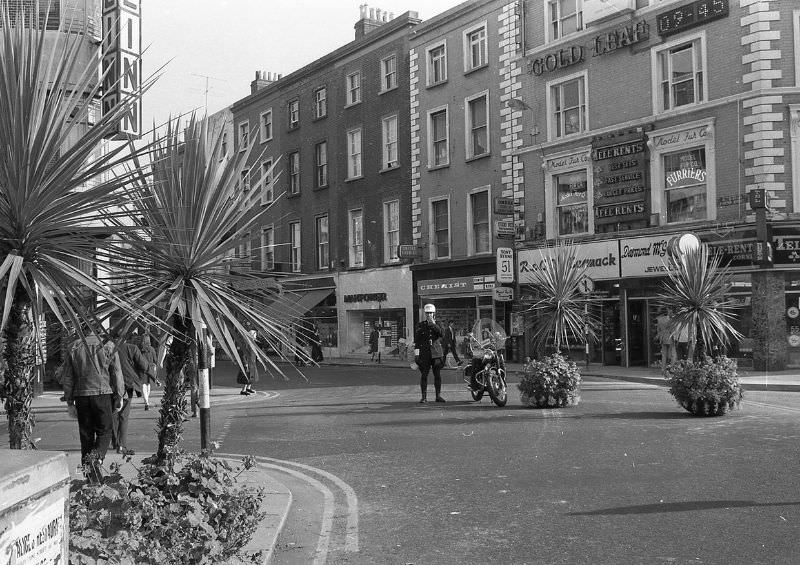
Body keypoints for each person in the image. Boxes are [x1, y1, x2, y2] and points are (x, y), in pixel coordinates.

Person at [61, 330, 124, 481]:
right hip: (102, 392)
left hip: (81, 394)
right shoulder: (108, 345)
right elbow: (116, 373)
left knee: (86, 435)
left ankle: (90, 475)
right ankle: (96, 459)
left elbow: (68, 377)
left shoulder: (73, 347)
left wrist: (69, 401)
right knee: (105, 430)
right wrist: (119, 395)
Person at [112, 331, 156, 453]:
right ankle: (122, 445)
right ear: (125, 338)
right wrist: (154, 377)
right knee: (124, 415)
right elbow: (144, 365)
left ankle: (115, 442)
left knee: (114, 413)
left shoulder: (108, 348)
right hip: (127, 384)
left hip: (112, 385)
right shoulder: (132, 348)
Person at [414, 303, 445, 403]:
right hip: (425, 353)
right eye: (427, 313)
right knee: (424, 375)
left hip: (436, 353)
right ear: (425, 314)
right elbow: (417, 341)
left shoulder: (439, 324)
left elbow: (442, 334)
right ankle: (424, 397)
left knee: (437, 375)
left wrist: (433, 324)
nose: (429, 315)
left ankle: (438, 396)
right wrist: (416, 354)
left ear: (434, 313)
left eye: (431, 313)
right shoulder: (421, 325)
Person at [139, 334, 160, 411]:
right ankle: (146, 400)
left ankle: (146, 402)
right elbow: (155, 360)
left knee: (143, 385)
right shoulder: (152, 349)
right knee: (148, 385)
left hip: (142, 369)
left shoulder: (140, 349)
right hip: (150, 368)